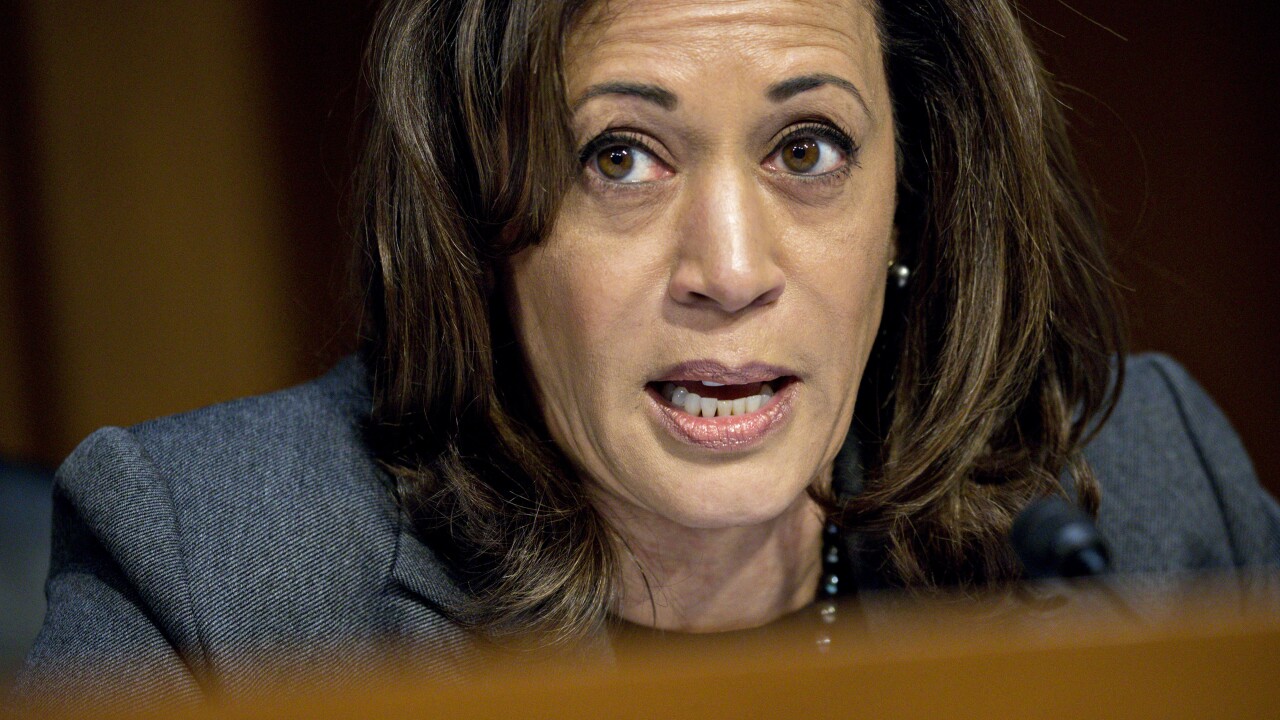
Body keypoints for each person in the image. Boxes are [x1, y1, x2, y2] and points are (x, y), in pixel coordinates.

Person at [14, 0, 1280, 711]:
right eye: (617, 156)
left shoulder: (1145, 491)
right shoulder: (211, 583)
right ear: (477, 219)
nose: (729, 270)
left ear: (916, 196)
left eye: (807, 150)